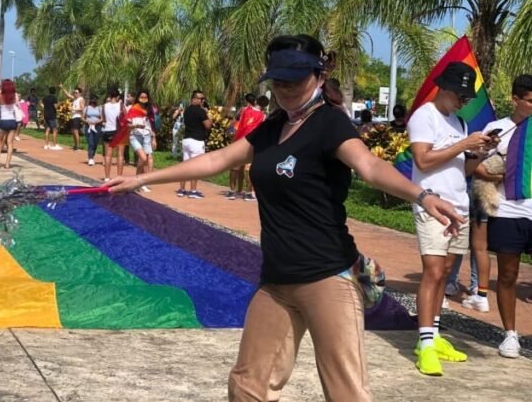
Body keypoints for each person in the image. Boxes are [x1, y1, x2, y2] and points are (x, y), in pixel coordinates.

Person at [107, 34, 463, 401]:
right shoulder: (272, 128)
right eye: (279, 81)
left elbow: (369, 166)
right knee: (247, 386)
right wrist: (140, 178)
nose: (287, 88)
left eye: (296, 79)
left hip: (328, 276)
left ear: (319, 77)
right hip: (277, 281)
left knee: (346, 392)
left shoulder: (330, 123)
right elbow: (217, 160)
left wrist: (422, 195)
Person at [407, 61, 496, 376]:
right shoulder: (424, 116)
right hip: (432, 202)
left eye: (466, 97)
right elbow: (422, 159)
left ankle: (434, 333)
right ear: (444, 88)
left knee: (445, 274)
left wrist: (479, 153)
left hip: (458, 204)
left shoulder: (458, 122)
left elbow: (464, 170)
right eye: (460, 95)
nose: (463, 101)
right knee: (432, 271)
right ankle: (425, 343)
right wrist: (463, 144)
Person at [479, 74, 532, 358]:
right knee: (509, 273)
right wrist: (492, 172)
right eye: (530, 101)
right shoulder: (497, 129)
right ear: (516, 99)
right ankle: (510, 335)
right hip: (508, 210)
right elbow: (474, 165)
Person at [176, 90, 211, 199]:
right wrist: (208, 115)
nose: (202, 101)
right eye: (201, 99)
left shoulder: (187, 110)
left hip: (186, 139)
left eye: (203, 99)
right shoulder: (201, 111)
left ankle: (182, 189)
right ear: (194, 99)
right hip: (197, 141)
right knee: (195, 166)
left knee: (185, 166)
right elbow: (208, 125)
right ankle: (193, 190)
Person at [226, 94, 257, 201]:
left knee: (236, 168)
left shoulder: (243, 110)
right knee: (248, 169)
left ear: (245, 101)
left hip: (239, 143)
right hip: (251, 144)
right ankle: (248, 192)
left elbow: (233, 124)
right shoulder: (260, 113)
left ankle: (233, 191)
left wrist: (232, 128)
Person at [125, 90, 156, 192]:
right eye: (141, 96)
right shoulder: (133, 109)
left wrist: (153, 138)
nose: (143, 98)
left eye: (145, 97)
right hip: (135, 136)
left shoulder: (149, 110)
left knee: (146, 159)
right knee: (143, 158)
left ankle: (141, 183)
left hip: (146, 135)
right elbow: (127, 125)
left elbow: (151, 125)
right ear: (138, 97)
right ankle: (137, 181)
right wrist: (136, 125)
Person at [0, 79, 23, 169]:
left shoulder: (0, 96)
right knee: (10, 143)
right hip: (12, 121)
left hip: (3, 121)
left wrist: (1, 91)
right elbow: (17, 103)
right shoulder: (15, 96)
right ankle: (7, 164)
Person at [102, 90, 125, 181]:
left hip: (107, 130)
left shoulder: (104, 106)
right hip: (118, 131)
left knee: (108, 155)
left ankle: (107, 177)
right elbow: (125, 116)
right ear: (118, 97)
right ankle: (119, 176)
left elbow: (103, 118)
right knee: (120, 155)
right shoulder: (120, 105)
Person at [62, 86, 85, 151]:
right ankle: (75, 145)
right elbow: (68, 95)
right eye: (74, 92)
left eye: (76, 93)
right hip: (73, 116)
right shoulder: (75, 99)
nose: (75, 94)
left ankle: (78, 146)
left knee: (75, 131)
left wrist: (74, 109)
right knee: (73, 131)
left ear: (80, 93)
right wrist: (62, 88)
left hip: (77, 117)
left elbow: (82, 108)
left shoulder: (81, 99)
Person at [83, 94, 103, 166]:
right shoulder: (87, 108)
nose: (94, 101)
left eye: (95, 99)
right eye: (93, 99)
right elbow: (82, 118)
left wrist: (96, 122)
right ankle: (90, 158)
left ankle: (92, 155)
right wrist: (87, 122)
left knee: (95, 142)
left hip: (97, 127)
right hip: (88, 126)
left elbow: (102, 118)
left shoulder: (99, 108)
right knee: (90, 142)